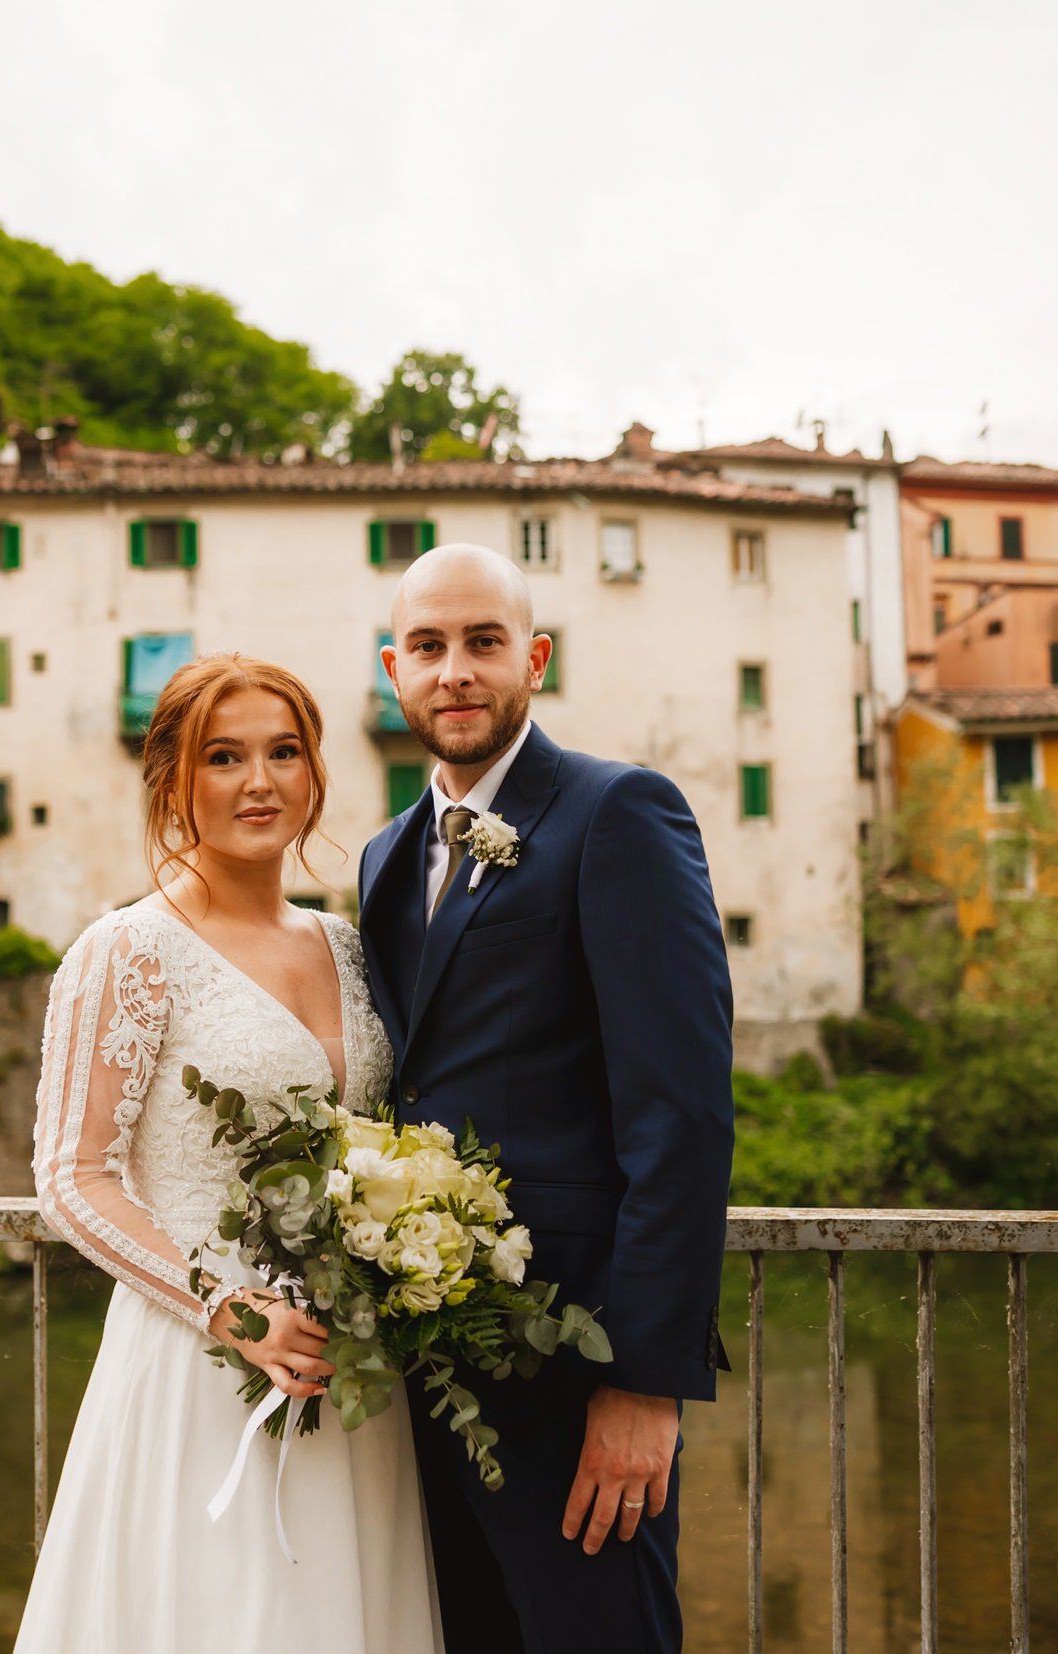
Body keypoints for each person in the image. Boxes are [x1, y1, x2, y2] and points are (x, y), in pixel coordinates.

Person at [17, 654, 440, 1653]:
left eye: (283, 751)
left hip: (351, 1372)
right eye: (225, 756)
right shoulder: (126, 949)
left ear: (314, 770)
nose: (261, 781)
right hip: (199, 1366)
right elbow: (70, 1178)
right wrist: (224, 1302)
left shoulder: (346, 944)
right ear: (174, 780)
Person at [358, 543, 734, 1654]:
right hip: (424, 1382)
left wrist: (643, 1384)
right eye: (427, 647)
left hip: (577, 1376)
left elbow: (680, 1113)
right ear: (394, 670)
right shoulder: (383, 858)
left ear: (534, 658)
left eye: (482, 642)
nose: (454, 671)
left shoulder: (617, 812)